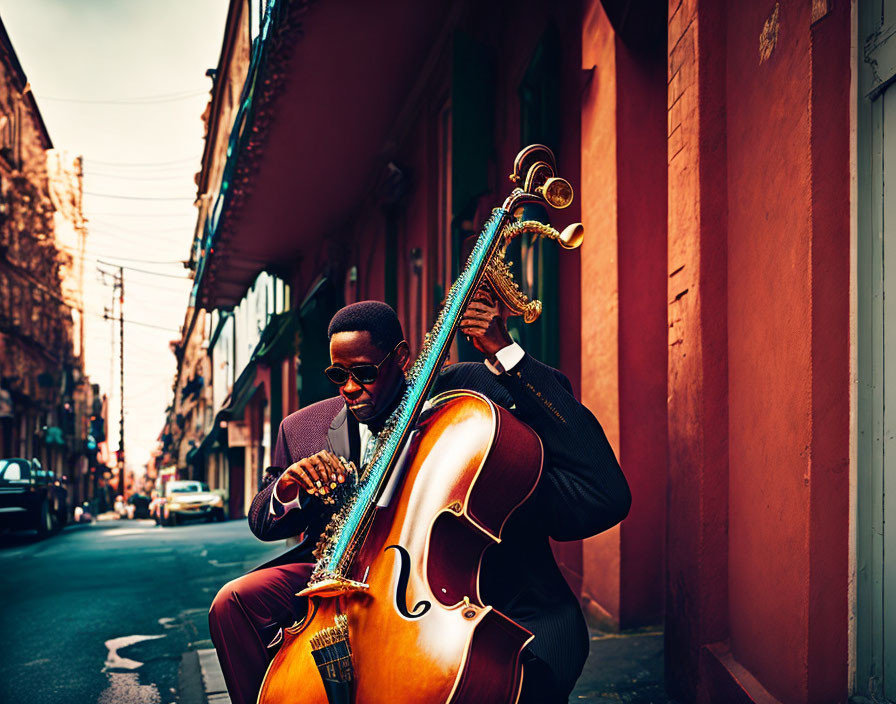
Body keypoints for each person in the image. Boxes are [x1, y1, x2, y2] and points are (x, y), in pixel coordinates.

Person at [209, 293, 630, 704]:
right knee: (234, 602)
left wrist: (507, 353)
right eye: (339, 376)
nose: (351, 388)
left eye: (366, 373)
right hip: (350, 587)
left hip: (477, 592)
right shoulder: (303, 429)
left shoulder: (466, 391)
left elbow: (568, 437)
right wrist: (288, 487)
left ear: (401, 358)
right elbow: (263, 520)